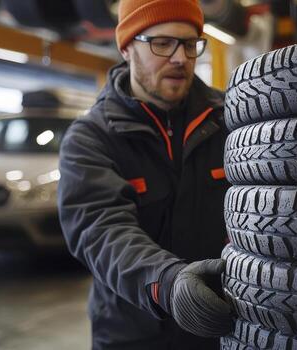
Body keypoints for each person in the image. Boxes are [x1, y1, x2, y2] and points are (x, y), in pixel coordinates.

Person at [57, 0, 233, 349]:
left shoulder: (229, 121)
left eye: (189, 43)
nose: (180, 58)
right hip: (132, 332)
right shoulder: (92, 137)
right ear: (126, 48)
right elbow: (100, 229)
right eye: (162, 43)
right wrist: (166, 282)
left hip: (220, 325)